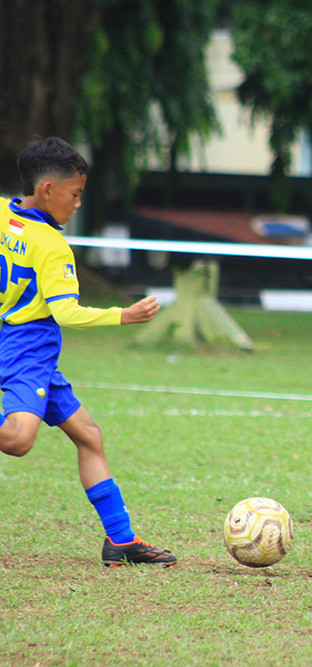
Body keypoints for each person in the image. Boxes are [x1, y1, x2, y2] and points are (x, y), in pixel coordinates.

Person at [0, 137, 175, 566]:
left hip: (15, 342)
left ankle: (120, 540)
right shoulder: (53, 246)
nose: (78, 204)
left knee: (88, 435)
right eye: (75, 194)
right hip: (27, 350)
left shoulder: (3, 211)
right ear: (47, 191)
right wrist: (124, 316)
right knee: (20, 439)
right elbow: (66, 313)